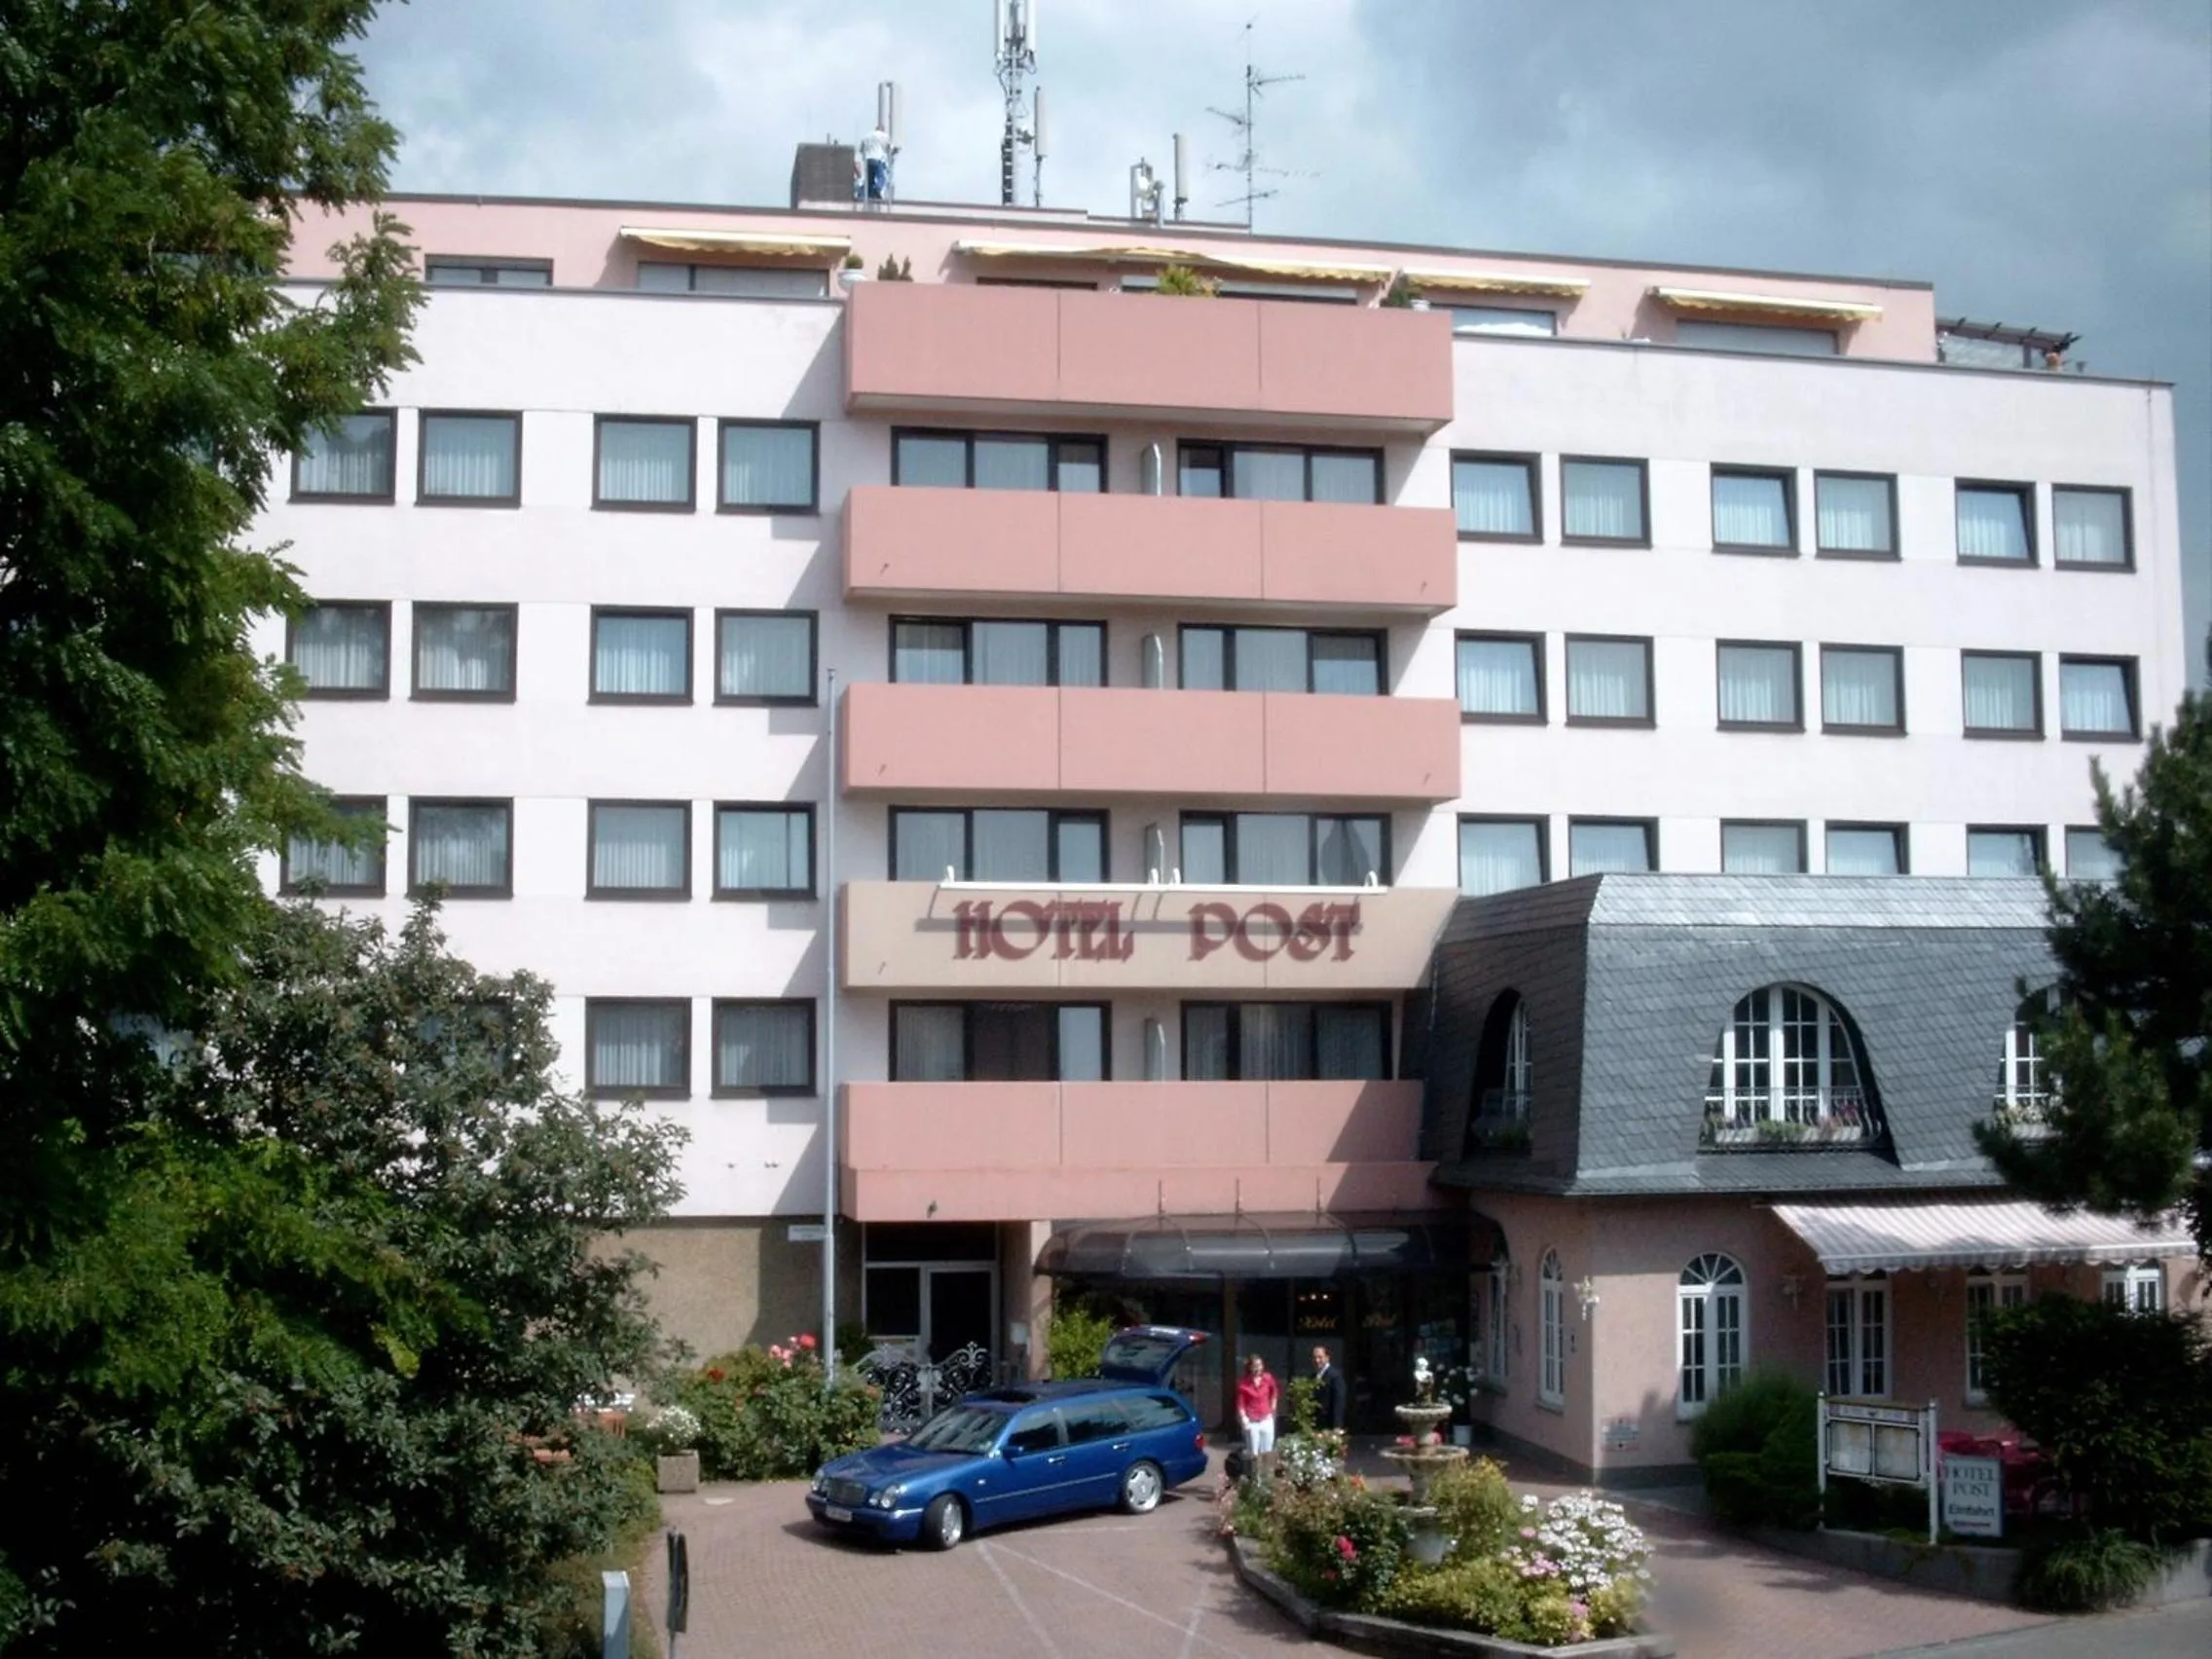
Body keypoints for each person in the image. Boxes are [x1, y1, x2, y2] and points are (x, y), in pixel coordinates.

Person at [1235, 1352, 1279, 1480]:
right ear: (1250, 1367)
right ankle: (1255, 1481)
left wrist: (1273, 1408)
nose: (1258, 1368)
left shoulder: (1268, 1378)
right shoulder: (1244, 1383)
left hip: (1266, 1419)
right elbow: (1240, 1403)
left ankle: (1267, 1480)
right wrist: (1244, 1419)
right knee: (1254, 1454)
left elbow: (1274, 1392)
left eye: (1260, 1365)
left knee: (1267, 1452)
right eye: (1255, 1366)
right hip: (1252, 1421)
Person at [1311, 1346, 1346, 1432]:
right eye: (1315, 1357)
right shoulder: (1313, 1377)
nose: (1317, 1360)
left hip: (1329, 1423)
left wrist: (1337, 1426)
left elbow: (1339, 1401)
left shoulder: (1335, 1376)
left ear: (1327, 1358)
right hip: (1316, 1423)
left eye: (1320, 1357)